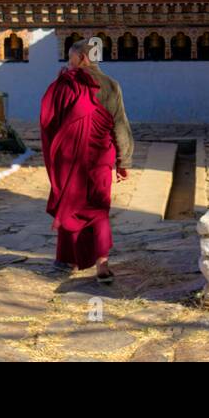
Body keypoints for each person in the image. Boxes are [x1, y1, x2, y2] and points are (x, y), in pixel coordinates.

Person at [39, 38, 131, 284]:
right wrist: (124, 161)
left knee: (71, 203)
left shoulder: (66, 85)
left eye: (71, 57)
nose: (69, 62)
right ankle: (102, 264)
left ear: (82, 58)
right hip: (101, 159)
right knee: (98, 208)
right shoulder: (112, 85)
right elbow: (120, 126)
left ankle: (66, 260)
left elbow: (50, 121)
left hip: (71, 159)